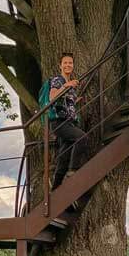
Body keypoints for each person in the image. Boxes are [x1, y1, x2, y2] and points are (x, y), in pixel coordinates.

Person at [48, 52, 84, 187]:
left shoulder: (71, 84)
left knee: (64, 156)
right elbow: (52, 98)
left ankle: (55, 188)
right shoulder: (58, 80)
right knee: (82, 138)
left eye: (70, 63)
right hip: (60, 122)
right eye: (65, 63)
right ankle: (73, 171)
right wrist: (66, 86)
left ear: (73, 65)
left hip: (69, 122)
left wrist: (76, 100)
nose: (68, 65)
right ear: (60, 65)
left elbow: (67, 102)